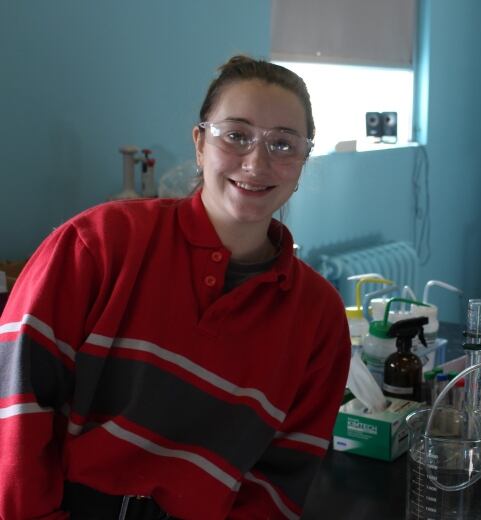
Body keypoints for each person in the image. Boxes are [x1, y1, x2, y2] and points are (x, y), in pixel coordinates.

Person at [0, 56, 351, 519]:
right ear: (200, 143)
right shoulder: (99, 243)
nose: (256, 161)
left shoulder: (319, 316)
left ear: (303, 161)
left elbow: (282, 476)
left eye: (283, 144)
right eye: (237, 135)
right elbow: (17, 406)